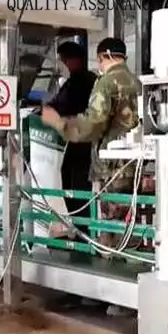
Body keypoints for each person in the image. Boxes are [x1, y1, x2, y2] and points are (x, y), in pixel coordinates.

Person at [42, 37, 141, 252]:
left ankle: (110, 257)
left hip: (112, 166)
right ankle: (130, 255)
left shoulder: (106, 82)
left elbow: (92, 124)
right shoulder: (137, 82)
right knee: (130, 219)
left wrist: (59, 123)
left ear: (105, 56)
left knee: (111, 221)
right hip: (136, 163)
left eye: (100, 60)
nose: (99, 65)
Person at [48, 41, 96, 233]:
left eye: (65, 60)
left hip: (83, 141)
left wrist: (46, 110)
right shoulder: (87, 78)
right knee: (73, 180)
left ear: (75, 60)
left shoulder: (79, 81)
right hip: (84, 139)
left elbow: (62, 104)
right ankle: (81, 227)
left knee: (76, 183)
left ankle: (83, 229)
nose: (65, 64)